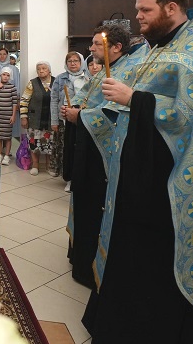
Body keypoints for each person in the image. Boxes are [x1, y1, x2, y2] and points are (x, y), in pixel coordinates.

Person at [81, 0, 193, 344]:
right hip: (137, 177)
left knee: (159, 263)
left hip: (172, 185)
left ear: (171, 7)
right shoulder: (158, 49)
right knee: (132, 256)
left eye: (144, 11)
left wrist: (135, 98)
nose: (137, 18)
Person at [61, 24, 139, 289]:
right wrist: (73, 107)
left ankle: (89, 265)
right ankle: (80, 254)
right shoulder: (108, 68)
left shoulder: (127, 70)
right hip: (87, 145)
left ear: (115, 47)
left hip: (103, 155)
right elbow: (88, 95)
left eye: (96, 44)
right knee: (82, 198)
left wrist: (79, 115)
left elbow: (114, 111)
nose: (91, 49)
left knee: (94, 203)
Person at [50, 51, 89, 185]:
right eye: (70, 61)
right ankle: (68, 178)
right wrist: (54, 120)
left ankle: (79, 176)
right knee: (66, 148)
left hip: (82, 118)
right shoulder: (60, 78)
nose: (73, 64)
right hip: (64, 118)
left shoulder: (88, 77)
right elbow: (54, 100)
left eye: (76, 61)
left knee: (79, 148)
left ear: (81, 62)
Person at [19, 61, 57, 175]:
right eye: (39, 69)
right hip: (34, 119)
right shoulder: (32, 83)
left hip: (51, 119)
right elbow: (24, 101)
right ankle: (35, 164)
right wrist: (23, 117)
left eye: (44, 68)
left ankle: (49, 166)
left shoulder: (56, 82)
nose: (41, 71)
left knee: (50, 143)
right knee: (34, 142)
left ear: (49, 70)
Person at [0, 67, 18, 165]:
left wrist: (13, 115)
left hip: (8, 116)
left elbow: (15, 102)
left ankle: (7, 155)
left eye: (8, 75)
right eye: (4, 74)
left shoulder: (12, 87)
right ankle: (0, 154)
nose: (6, 77)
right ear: (0, 75)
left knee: (7, 137)